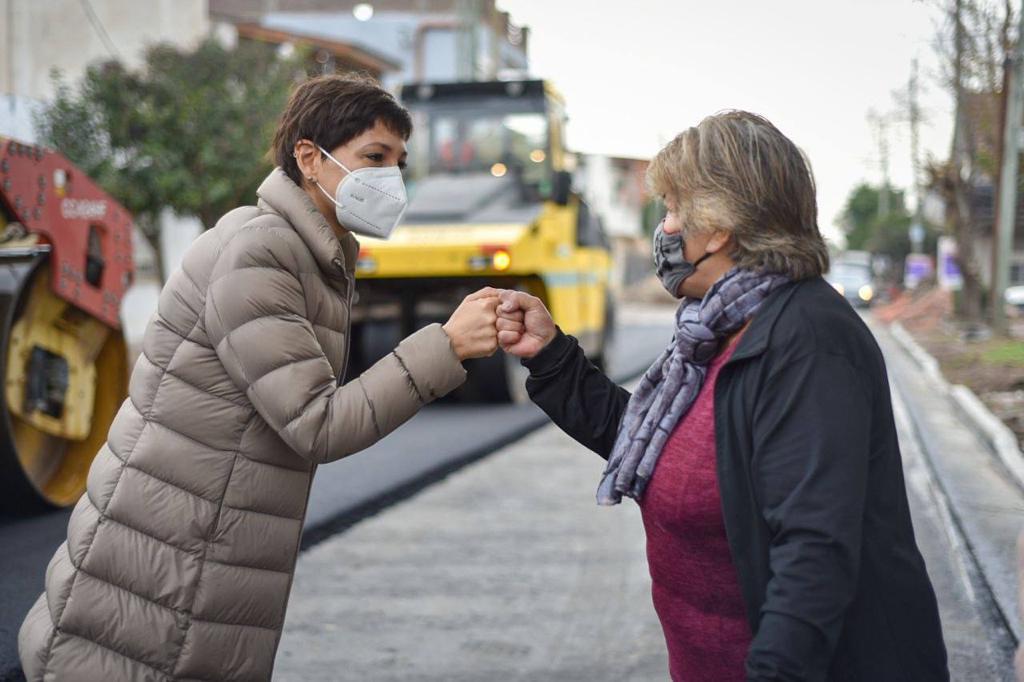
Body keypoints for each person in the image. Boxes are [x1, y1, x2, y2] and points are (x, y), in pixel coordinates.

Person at [18, 74, 501, 682]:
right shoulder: (261, 251)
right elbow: (316, 424)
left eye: (399, 163)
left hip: (194, 555)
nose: (391, 181)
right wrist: (446, 346)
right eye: (374, 158)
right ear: (309, 157)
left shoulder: (309, 254)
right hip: (162, 571)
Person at [496, 111, 949, 681]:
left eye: (674, 209)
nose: (665, 229)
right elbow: (664, 448)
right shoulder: (715, 329)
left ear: (721, 225)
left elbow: (814, 553)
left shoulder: (808, 343)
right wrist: (552, 357)